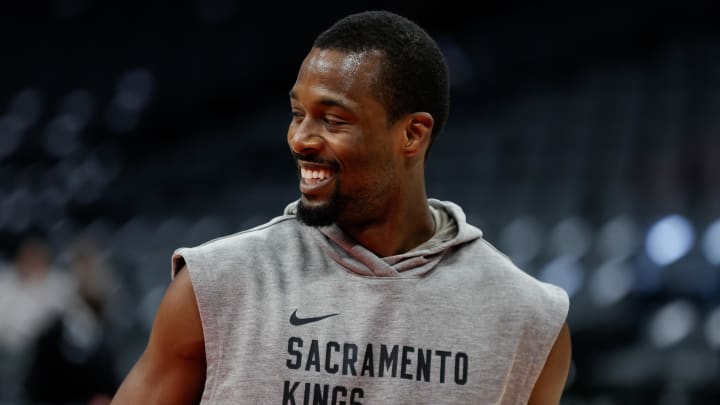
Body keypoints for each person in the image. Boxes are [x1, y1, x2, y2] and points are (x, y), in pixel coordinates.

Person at [112, 10, 571, 405]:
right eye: (297, 114)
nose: (300, 139)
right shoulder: (216, 286)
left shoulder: (527, 318)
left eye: (333, 120)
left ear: (412, 134)